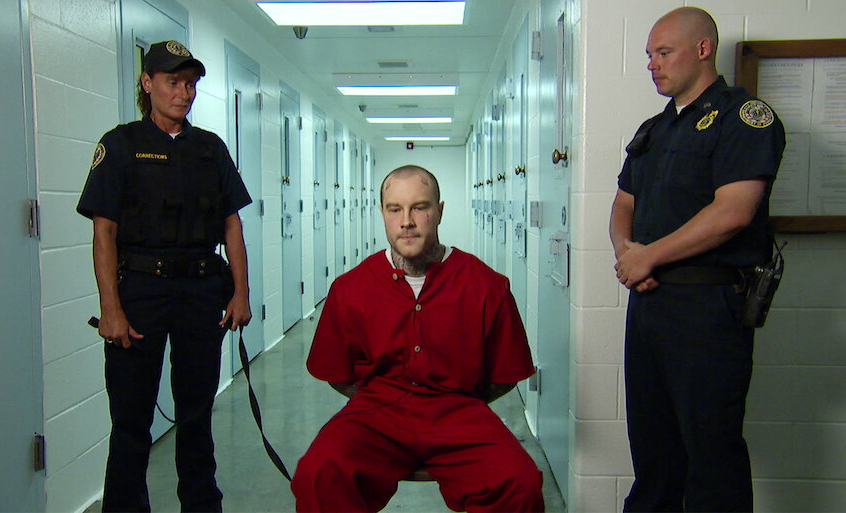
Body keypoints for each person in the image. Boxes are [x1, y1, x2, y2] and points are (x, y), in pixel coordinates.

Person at [609, 7, 785, 512]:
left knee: (711, 452)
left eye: (663, 52)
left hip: (708, 307)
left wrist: (649, 257)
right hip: (650, 304)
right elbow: (623, 205)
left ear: (703, 49)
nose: (652, 64)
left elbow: (733, 211)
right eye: (649, 54)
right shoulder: (655, 129)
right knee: (653, 448)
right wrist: (628, 255)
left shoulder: (743, 118)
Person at [291, 165, 544, 513]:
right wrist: (383, 402)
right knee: (318, 473)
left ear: (439, 211)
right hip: (376, 413)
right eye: (395, 209)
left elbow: (504, 376)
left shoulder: (486, 285)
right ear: (382, 213)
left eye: (419, 207)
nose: (406, 221)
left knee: (519, 482)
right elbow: (337, 372)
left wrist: (457, 402)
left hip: (460, 413)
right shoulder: (350, 288)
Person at [77, 40, 253, 512]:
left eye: (190, 83)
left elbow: (232, 225)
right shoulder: (121, 145)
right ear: (147, 83)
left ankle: (201, 505)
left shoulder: (210, 149)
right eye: (173, 82)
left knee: (197, 414)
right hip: (141, 293)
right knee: (131, 420)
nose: (184, 92)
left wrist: (241, 293)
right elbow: (103, 231)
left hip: (201, 290)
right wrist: (110, 309)